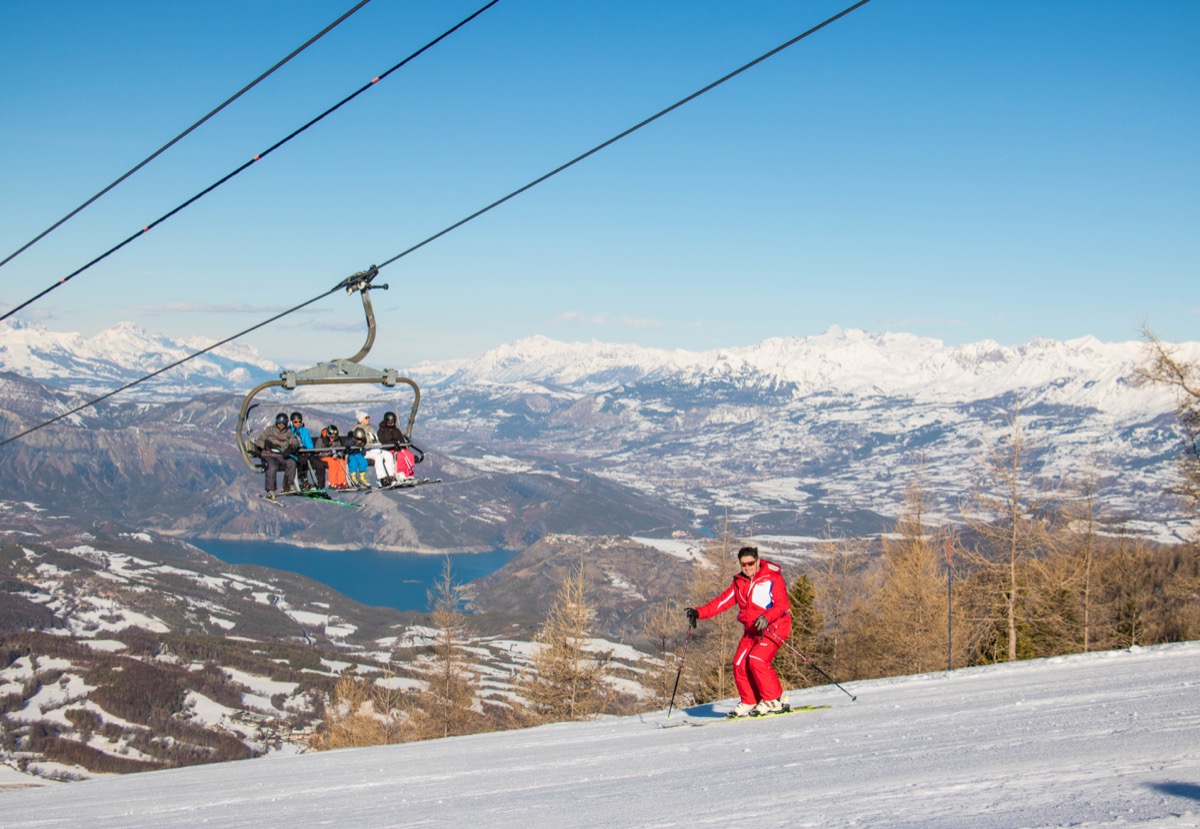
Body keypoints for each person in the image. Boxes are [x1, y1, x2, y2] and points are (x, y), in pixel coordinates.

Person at [685, 546, 792, 717]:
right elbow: (721, 603)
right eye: (743, 565)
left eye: (750, 563)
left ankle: (773, 699)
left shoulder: (772, 579)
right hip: (752, 630)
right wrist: (698, 613)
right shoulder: (739, 583)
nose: (747, 567)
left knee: (757, 659)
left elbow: (782, 605)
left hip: (774, 627)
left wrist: (766, 618)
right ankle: (750, 701)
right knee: (739, 663)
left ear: (757, 561)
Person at [256, 412, 299, 500]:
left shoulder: (288, 432)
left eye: (283, 424)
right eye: (279, 423)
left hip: (281, 454)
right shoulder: (270, 430)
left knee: (291, 462)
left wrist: (290, 448)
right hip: (269, 454)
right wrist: (266, 445)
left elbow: (294, 442)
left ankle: (288, 485)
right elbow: (259, 440)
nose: (281, 425)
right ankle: (270, 490)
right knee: (272, 466)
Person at [289, 411, 326, 491]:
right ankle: (303, 481)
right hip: (296, 454)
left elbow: (309, 444)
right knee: (302, 461)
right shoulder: (289, 432)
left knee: (320, 465)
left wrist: (307, 449)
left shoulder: (304, 431)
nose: (298, 423)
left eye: (299, 421)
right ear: (291, 422)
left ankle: (320, 485)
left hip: (306, 453)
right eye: (295, 422)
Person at [375, 410, 406, 487]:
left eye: (393, 422)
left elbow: (402, 440)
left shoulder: (396, 431)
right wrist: (392, 444)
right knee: (398, 457)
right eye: (390, 422)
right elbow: (381, 442)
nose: (391, 424)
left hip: (398, 449)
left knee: (408, 455)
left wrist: (403, 448)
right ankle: (397, 475)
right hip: (388, 449)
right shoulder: (381, 431)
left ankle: (407, 475)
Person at [318, 424, 349, 490]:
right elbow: (317, 451)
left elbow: (340, 449)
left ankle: (342, 481)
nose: (333, 438)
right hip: (324, 456)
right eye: (332, 437)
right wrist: (328, 453)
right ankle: (333, 483)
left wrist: (339, 454)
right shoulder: (322, 440)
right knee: (333, 463)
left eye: (334, 436)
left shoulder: (337, 440)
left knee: (342, 462)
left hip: (334, 456)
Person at [346, 418, 372, 489]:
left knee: (363, 462)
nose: (360, 441)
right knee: (353, 463)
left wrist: (362, 447)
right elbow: (347, 444)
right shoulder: (351, 440)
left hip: (358, 454)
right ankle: (353, 476)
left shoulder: (362, 442)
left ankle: (362, 477)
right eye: (358, 439)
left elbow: (363, 448)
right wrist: (354, 442)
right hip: (351, 454)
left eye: (361, 440)